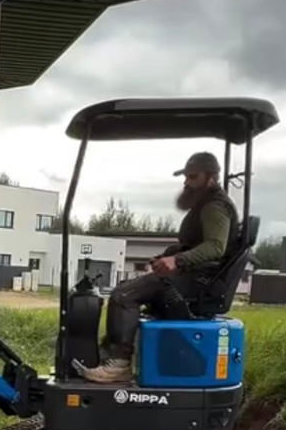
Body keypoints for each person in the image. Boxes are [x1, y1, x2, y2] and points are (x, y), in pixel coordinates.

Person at [76, 151, 240, 384]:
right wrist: (167, 257)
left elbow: (215, 247)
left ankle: (119, 364)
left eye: (193, 177)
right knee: (126, 287)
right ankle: (111, 355)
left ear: (211, 179)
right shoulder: (204, 205)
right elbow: (192, 245)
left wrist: (177, 261)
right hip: (193, 277)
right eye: (186, 177)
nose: (186, 182)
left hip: (200, 283)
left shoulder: (215, 206)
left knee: (124, 296)